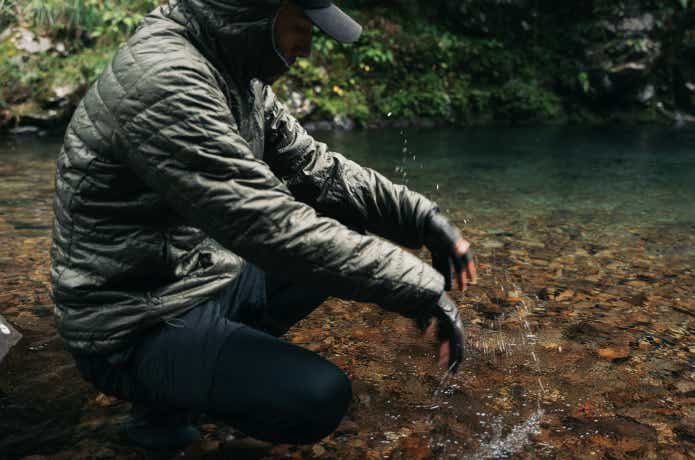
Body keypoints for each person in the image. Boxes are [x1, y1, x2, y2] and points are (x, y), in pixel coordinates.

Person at [49, 0, 477, 450]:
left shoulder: (233, 71)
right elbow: (272, 227)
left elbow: (320, 171)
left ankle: (191, 384)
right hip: (131, 323)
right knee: (316, 397)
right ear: (254, 13)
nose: (308, 48)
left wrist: (424, 219)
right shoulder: (166, 81)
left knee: (340, 209)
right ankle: (161, 404)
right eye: (302, 28)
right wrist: (419, 287)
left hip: (193, 278)